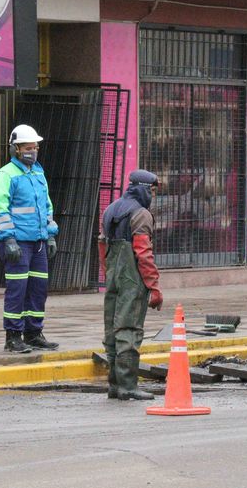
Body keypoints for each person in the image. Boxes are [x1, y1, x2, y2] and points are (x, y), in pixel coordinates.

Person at [0, 124, 59, 353]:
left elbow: (46, 207)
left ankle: (33, 333)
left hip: (38, 242)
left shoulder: (38, 173)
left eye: (35, 147)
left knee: (38, 288)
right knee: (17, 289)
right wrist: (8, 239)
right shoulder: (6, 174)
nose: (33, 151)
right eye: (28, 147)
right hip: (17, 242)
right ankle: (12, 336)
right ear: (16, 149)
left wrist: (50, 235)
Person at [99, 170, 163, 401]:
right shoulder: (141, 214)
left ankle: (114, 385)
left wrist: (109, 273)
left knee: (112, 330)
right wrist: (154, 286)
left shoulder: (111, 208)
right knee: (129, 329)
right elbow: (143, 253)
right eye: (152, 191)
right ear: (144, 189)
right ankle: (128, 386)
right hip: (131, 279)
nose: (153, 195)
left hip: (113, 276)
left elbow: (102, 245)